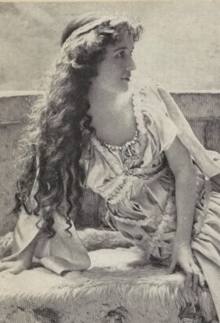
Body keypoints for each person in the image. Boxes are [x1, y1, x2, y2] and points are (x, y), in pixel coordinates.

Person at [1, 11, 220, 319]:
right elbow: (43, 193)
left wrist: (183, 244)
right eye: (120, 55)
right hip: (152, 235)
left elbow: (185, 171)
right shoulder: (66, 131)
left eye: (131, 53)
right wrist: (24, 256)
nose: (131, 65)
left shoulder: (144, 105)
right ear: (86, 65)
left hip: (201, 209)